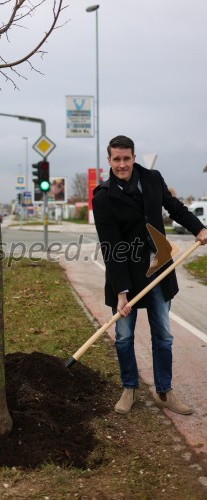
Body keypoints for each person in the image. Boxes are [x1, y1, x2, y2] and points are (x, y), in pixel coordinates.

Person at [92, 135, 207, 416]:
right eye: (116, 159)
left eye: (126, 158)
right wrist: (121, 293)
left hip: (158, 270)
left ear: (133, 157)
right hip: (126, 275)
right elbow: (112, 248)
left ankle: (164, 392)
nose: (122, 164)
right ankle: (129, 388)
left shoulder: (152, 178)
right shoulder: (103, 196)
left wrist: (198, 228)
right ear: (109, 161)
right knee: (123, 336)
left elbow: (174, 206)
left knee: (163, 336)